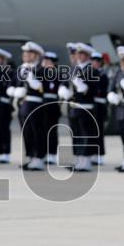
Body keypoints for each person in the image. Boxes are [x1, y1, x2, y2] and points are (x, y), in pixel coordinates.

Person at [60, 42, 97, 172]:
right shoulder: (75, 69)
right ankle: (79, 159)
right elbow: (66, 84)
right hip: (74, 107)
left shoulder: (91, 70)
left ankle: (86, 161)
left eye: (82, 53)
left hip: (85, 106)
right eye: (77, 53)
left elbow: (88, 89)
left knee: (86, 134)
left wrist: (79, 83)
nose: (79, 56)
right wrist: (64, 90)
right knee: (76, 135)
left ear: (87, 55)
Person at [13, 41, 48, 170]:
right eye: (25, 52)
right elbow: (14, 85)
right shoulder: (21, 69)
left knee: (37, 131)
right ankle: (31, 156)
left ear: (36, 55)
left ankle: (39, 158)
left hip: (35, 104)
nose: (25, 55)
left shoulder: (42, 70)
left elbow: (40, 86)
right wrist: (15, 91)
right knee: (26, 132)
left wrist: (29, 77)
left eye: (29, 53)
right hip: (23, 104)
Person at [0, 46, 15, 164]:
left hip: (5, 105)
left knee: (4, 129)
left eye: (1, 59)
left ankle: (6, 152)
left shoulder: (10, 72)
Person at [42, 51, 62, 165]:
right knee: (42, 131)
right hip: (42, 105)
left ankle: (52, 154)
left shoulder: (57, 74)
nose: (45, 62)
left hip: (53, 104)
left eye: (48, 60)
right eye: (44, 60)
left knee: (52, 131)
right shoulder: (40, 73)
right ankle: (43, 153)